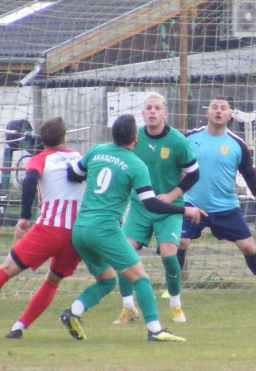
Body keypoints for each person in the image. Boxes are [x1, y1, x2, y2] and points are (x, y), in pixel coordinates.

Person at [61, 114, 207, 342]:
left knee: (107, 280)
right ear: (135, 137)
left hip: (80, 229)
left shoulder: (96, 151)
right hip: (105, 229)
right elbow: (150, 203)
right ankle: (156, 330)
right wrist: (184, 210)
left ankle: (73, 312)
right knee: (141, 279)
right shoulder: (135, 164)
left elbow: (73, 175)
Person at [0, 117, 85, 340]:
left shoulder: (40, 159)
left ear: (42, 141)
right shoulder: (81, 158)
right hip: (77, 233)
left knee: (6, 269)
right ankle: (19, 328)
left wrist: (24, 217)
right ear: (65, 137)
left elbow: (30, 180)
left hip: (48, 229)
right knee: (52, 281)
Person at [177, 96, 256, 297]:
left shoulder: (237, 143)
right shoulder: (190, 138)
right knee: (180, 242)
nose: (218, 111)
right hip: (193, 205)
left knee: (248, 247)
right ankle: (172, 288)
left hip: (225, 207)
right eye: (214, 107)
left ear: (229, 115)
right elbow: (175, 165)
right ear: (207, 113)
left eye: (223, 108)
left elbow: (249, 173)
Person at [114, 92, 200, 325]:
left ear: (165, 113)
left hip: (168, 209)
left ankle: (175, 305)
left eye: (157, 108)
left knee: (169, 255)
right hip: (140, 208)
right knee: (124, 254)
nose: (152, 112)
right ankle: (128, 308)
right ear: (143, 114)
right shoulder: (135, 139)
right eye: (148, 108)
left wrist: (172, 196)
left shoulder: (178, 141)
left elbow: (194, 174)